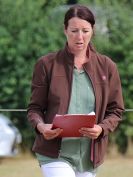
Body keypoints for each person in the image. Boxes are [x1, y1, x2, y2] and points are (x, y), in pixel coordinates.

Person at [27, 4, 124, 177]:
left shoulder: (107, 67)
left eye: (85, 31)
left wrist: (101, 129)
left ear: (92, 30)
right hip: (54, 153)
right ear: (65, 30)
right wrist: (42, 127)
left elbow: (116, 110)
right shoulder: (46, 64)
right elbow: (34, 109)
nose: (79, 37)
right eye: (74, 31)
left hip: (89, 157)